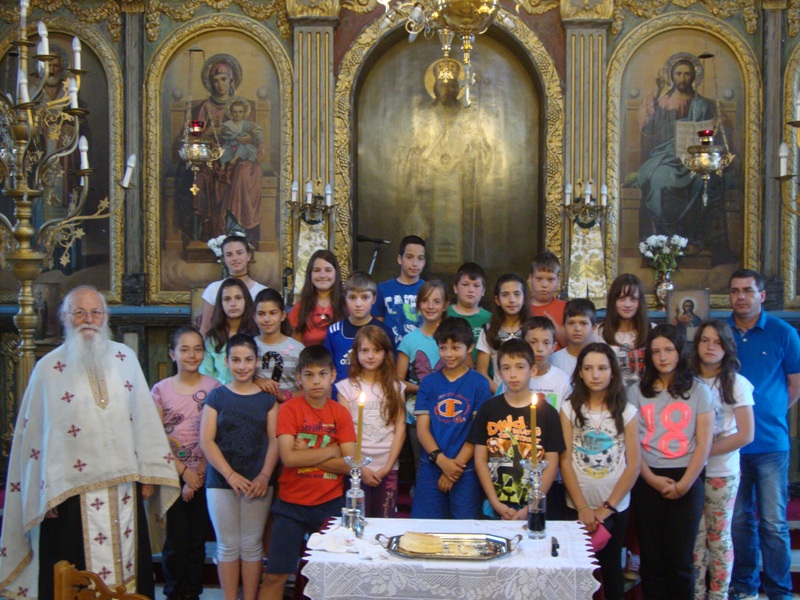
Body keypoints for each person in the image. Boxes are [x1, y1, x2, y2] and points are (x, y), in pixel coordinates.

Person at [0, 286, 180, 600]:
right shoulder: (48, 369)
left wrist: (149, 473)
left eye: (96, 312)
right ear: (65, 318)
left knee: (129, 572)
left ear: (106, 317)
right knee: (72, 577)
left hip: (124, 488)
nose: (88, 319)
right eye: (79, 312)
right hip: (69, 493)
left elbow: (143, 419)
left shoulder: (125, 358)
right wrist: (43, 492)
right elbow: (35, 437)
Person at [726, 269, 800, 600]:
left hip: (771, 444)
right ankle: (744, 585)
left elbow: (795, 385)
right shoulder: (721, 333)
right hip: (731, 446)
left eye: (747, 290)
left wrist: (769, 413)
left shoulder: (784, 333)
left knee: (773, 523)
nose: (741, 296)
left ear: (762, 296)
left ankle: (779, 591)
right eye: (735, 291)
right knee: (739, 521)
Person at [261, 346, 356, 600]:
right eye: (309, 375)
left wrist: (308, 452)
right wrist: (332, 450)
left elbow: (349, 465)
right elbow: (289, 458)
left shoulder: (340, 413)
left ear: (333, 375)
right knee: (275, 576)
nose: (316, 381)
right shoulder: (289, 409)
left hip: (329, 504)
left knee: (334, 575)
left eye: (322, 374)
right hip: (290, 505)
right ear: (299, 378)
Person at [628, 324, 714, 599]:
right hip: (647, 477)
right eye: (656, 352)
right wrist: (651, 478)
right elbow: (633, 443)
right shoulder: (636, 392)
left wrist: (684, 484)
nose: (662, 357)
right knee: (651, 559)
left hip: (687, 476)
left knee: (680, 559)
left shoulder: (699, 391)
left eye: (668, 350)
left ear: (680, 351)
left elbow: (704, 442)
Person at [200, 334, 278, 600]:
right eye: (236, 360)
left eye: (248, 360)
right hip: (221, 482)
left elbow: (274, 440)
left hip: (258, 481)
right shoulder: (217, 397)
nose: (242, 366)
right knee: (228, 545)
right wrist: (230, 475)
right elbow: (206, 440)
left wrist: (264, 476)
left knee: (252, 545)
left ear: (256, 362)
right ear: (226, 362)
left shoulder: (267, 400)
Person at [560, 343, 640, 600]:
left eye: (602, 368)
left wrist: (608, 507)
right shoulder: (569, 409)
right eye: (588, 368)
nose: (595, 375)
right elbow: (565, 461)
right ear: (580, 373)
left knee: (611, 568)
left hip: (614, 507)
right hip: (577, 505)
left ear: (613, 372)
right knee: (578, 570)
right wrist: (582, 507)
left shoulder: (627, 411)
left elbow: (634, 464)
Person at [637, 53, 734, 264]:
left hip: (695, 157)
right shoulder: (661, 102)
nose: (683, 78)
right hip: (665, 155)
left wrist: (717, 125)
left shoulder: (705, 105)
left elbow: (720, 131)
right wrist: (655, 100)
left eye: (687, 74)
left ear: (694, 77)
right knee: (657, 179)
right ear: (671, 76)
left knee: (703, 181)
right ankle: (664, 240)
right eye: (679, 73)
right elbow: (647, 130)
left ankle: (696, 240)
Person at [152, 326, 222, 600]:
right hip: (172, 475)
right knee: (176, 540)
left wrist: (198, 474)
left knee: (197, 540)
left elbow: (216, 434)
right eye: (184, 349)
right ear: (172, 354)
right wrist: (184, 473)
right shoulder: (160, 390)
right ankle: (174, 593)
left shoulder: (214, 388)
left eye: (197, 349)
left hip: (205, 473)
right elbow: (156, 436)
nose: (191, 355)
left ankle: (193, 593)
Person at [688, 320, 754, 600]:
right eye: (705, 340)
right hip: (690, 472)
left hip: (721, 471)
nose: (710, 347)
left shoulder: (736, 383)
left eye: (717, 342)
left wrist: (703, 451)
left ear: (726, 347)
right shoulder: (687, 380)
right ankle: (696, 593)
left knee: (718, 537)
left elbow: (746, 434)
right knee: (695, 538)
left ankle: (718, 595)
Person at [470, 338, 564, 520]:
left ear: (533, 370)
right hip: (494, 504)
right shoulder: (488, 409)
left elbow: (552, 463)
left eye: (520, 367)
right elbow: (480, 459)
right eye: (506, 368)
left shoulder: (548, 413)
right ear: (499, 372)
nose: (513, 374)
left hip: (534, 507)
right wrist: (495, 503)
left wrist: (532, 506)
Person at [411, 317, 491, 519]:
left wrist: (454, 469)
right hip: (432, 465)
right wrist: (441, 461)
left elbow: (478, 432)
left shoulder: (479, 383)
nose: (448, 354)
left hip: (465, 468)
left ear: (469, 347)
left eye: (455, 348)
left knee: (466, 527)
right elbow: (422, 430)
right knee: (427, 526)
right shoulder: (429, 383)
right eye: (443, 347)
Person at [188, 54, 263, 240]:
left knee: (244, 171)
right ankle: (213, 229)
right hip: (214, 155)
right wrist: (214, 130)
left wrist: (249, 139)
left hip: (240, 154)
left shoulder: (240, 106)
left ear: (231, 80)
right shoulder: (206, 107)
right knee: (205, 175)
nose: (219, 84)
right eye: (215, 80)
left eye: (223, 79)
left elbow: (254, 135)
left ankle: (236, 226)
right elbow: (195, 134)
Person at [336, 326, 406, 518]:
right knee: (357, 519)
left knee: (385, 519)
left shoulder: (396, 387)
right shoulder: (346, 388)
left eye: (376, 350)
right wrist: (359, 468)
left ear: (385, 353)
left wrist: (388, 466)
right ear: (356, 353)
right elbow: (345, 433)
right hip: (357, 469)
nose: (370, 356)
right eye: (365, 350)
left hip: (388, 465)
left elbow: (400, 428)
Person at [396, 280, 448, 475]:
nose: (431, 306)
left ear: (445, 306)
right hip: (416, 412)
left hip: (449, 411)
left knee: (446, 460)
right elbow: (397, 381)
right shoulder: (410, 340)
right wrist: (423, 389)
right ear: (418, 305)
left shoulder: (452, 337)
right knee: (421, 465)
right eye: (425, 301)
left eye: (437, 301)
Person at [324, 271, 395, 384]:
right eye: (352, 297)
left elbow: (390, 370)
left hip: (375, 392)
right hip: (339, 393)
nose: (358, 304)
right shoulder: (334, 331)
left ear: (374, 299)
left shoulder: (384, 332)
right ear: (345, 298)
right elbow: (327, 368)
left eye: (365, 297)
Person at [496, 317, 571, 410]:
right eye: (533, 342)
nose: (539, 349)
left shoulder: (563, 380)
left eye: (546, 343)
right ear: (523, 343)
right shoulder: (514, 378)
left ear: (553, 347)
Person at [200, 234, 267, 336]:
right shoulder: (213, 289)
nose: (235, 258)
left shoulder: (262, 292)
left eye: (239, 253)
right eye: (229, 254)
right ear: (223, 259)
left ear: (248, 256)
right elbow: (205, 329)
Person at [476, 273, 531, 393]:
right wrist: (501, 394)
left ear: (524, 298)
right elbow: (481, 372)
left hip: (530, 394)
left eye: (517, 294)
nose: (512, 300)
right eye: (505, 295)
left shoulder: (533, 329)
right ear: (497, 300)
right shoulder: (488, 331)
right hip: (499, 394)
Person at [201, 278, 258, 384]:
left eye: (238, 298)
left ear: (246, 300)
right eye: (227, 299)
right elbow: (206, 375)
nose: (233, 304)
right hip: (218, 392)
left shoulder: (256, 334)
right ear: (220, 303)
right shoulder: (212, 338)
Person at [372, 235, 427, 345]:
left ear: (424, 262)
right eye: (409, 257)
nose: (415, 263)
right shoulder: (383, 289)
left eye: (420, 258)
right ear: (400, 259)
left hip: (421, 351)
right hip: (391, 351)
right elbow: (378, 328)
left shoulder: (429, 290)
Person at [598, 274, 651, 387]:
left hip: (645, 393)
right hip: (613, 393)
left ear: (640, 302)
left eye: (633, 299)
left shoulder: (652, 330)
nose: (627, 305)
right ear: (613, 301)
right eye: (621, 298)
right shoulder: (599, 332)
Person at [253, 288, 304, 404]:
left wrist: (287, 396)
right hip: (256, 410)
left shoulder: (298, 349)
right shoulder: (248, 347)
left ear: (283, 315)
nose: (267, 319)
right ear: (254, 317)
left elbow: (310, 388)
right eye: (261, 314)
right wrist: (257, 381)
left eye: (273, 313)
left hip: (290, 411)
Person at [288, 249, 346, 347]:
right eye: (317, 270)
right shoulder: (300, 308)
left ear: (336, 273)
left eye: (328, 270)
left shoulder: (347, 305)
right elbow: (294, 346)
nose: (322, 275)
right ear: (310, 274)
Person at [446, 262, 491, 366]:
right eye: (465, 284)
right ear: (455, 288)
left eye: (476, 285)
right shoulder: (445, 314)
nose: (470, 290)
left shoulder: (490, 319)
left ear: (483, 291)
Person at [550, 298, 598, 378]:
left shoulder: (602, 358)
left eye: (583, 323)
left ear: (593, 328)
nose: (577, 328)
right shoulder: (553, 360)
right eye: (571, 323)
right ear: (563, 327)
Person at [528, 251, 567, 349]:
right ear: (530, 279)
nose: (544, 285)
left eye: (550, 279)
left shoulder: (567, 308)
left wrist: (553, 326)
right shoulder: (522, 307)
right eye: (539, 279)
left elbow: (572, 345)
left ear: (558, 281)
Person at [219, 97, 263, 170]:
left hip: (244, 145)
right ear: (231, 112)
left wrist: (249, 138)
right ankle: (223, 164)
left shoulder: (247, 124)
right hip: (230, 145)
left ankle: (235, 159)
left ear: (244, 113)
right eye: (235, 112)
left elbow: (254, 136)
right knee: (224, 150)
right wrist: (235, 137)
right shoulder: (227, 124)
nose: (237, 114)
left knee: (242, 148)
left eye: (240, 112)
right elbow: (225, 136)